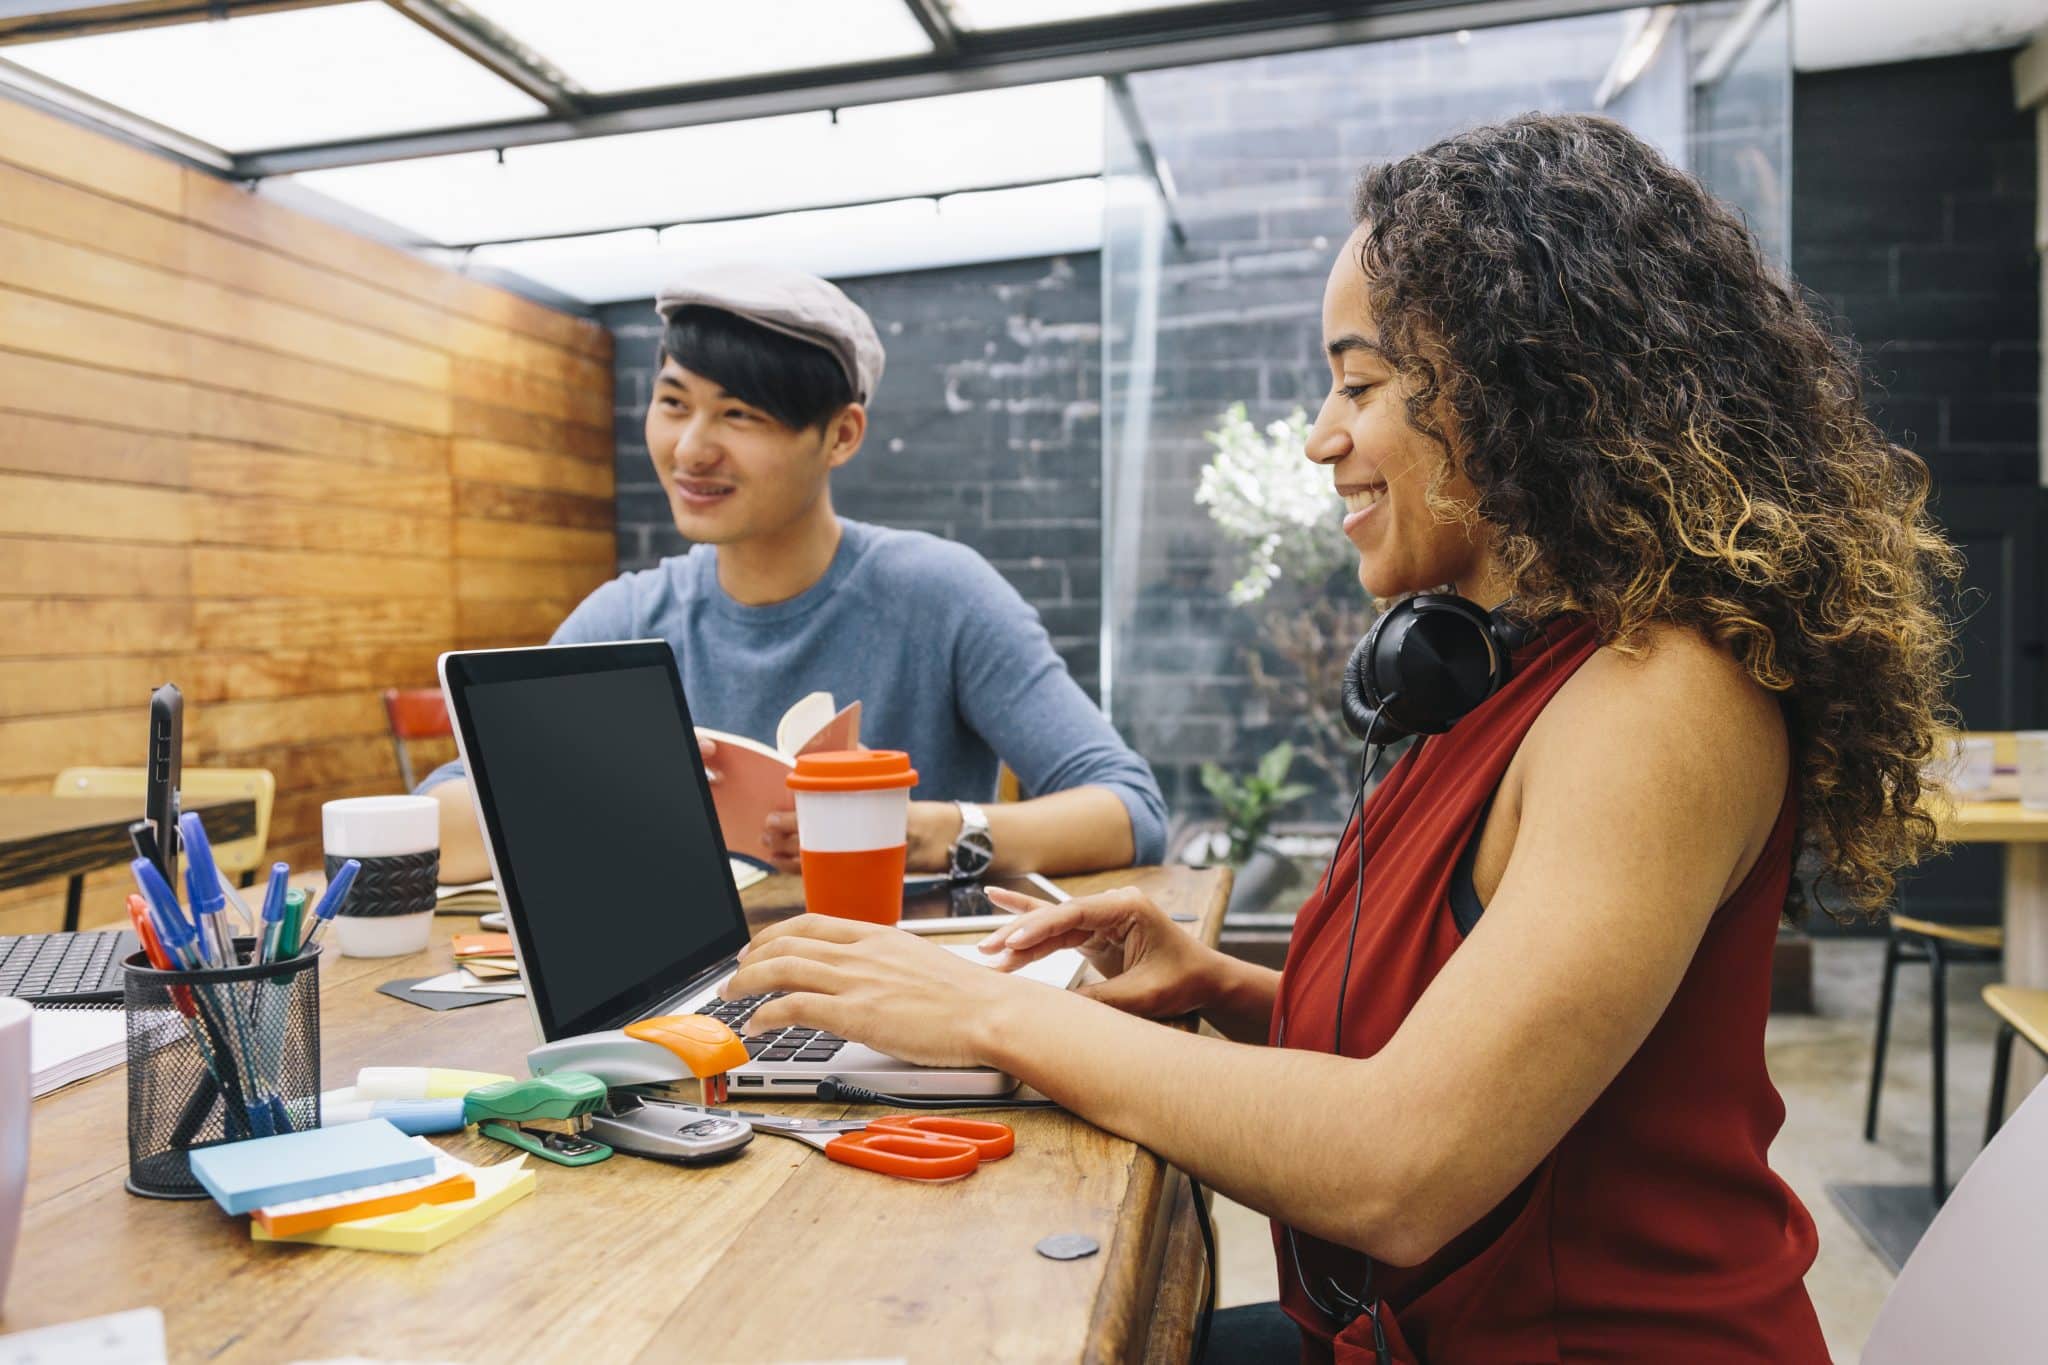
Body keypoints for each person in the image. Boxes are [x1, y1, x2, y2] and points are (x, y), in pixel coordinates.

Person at [725, 114, 1960, 1361]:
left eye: (1357, 384)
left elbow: (1403, 1169)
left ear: (1523, 387)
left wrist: (989, 1016)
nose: (1320, 435)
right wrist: (1223, 988)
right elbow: (1465, 1045)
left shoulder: (1662, 699)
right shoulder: (1490, 670)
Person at [423, 263, 1164, 884]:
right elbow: (433, 829)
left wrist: (926, 834)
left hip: (896, 997)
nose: (690, 450)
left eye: (740, 415)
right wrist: (590, 788)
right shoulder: (624, 621)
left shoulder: (939, 596)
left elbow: (1130, 810)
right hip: (680, 1009)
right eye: (673, 403)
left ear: (841, 434)